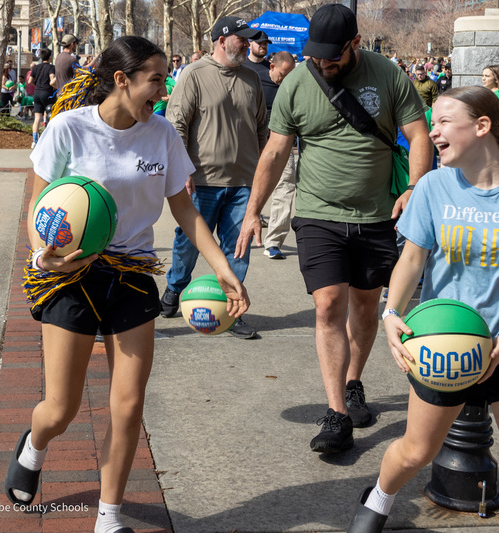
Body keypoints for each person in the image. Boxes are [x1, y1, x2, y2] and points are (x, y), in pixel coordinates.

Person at [4, 36, 249, 533]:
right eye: (156, 79)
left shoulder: (161, 134)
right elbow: (40, 204)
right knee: (61, 407)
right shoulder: (69, 128)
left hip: (133, 274)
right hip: (71, 274)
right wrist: (43, 254)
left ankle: (109, 516)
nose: (163, 90)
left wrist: (221, 267)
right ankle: (35, 443)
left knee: (129, 402)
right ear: (123, 79)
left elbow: (184, 208)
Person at [346, 86, 499, 533]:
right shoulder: (433, 186)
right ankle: (380, 495)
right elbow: (412, 259)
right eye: (432, 125)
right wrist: (392, 313)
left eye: (443, 123)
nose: (432, 133)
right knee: (416, 452)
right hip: (443, 346)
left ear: (483, 126)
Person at [235, 3, 432, 453]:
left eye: (333, 56)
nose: (323, 63)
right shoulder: (299, 82)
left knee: (364, 310)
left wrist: (416, 188)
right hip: (318, 213)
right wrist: (253, 212)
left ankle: (353, 383)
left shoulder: (388, 76)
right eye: (316, 55)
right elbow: (275, 152)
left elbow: (419, 136)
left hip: (378, 216)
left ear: (355, 45)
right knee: (327, 307)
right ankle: (336, 413)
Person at [160, 16, 267, 340]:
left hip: (244, 184)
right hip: (203, 181)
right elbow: (175, 124)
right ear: (222, 40)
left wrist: (263, 174)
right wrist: (183, 169)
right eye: (241, 39)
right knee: (189, 246)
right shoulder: (194, 75)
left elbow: (263, 128)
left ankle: (231, 311)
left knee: (239, 249)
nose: (247, 44)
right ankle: (174, 288)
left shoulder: (252, 78)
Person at [259, 52, 297, 260]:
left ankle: (273, 241)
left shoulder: (293, 85)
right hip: (255, 140)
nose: (285, 79)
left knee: (285, 186)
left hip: (283, 141)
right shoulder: (256, 79)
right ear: (272, 67)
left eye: (290, 74)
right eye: (283, 74)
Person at [27, 48, 56, 148]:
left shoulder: (36, 67)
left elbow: (30, 81)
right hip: (47, 93)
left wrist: (37, 85)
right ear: (50, 57)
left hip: (37, 93)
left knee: (37, 118)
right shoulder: (51, 67)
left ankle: (34, 141)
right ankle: (48, 139)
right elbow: (52, 79)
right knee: (49, 116)